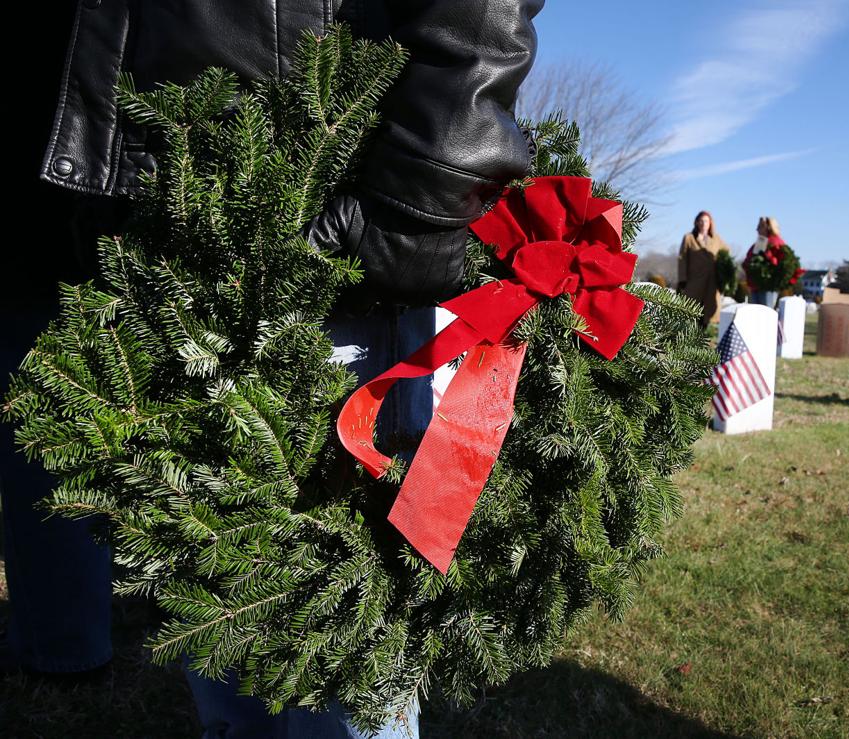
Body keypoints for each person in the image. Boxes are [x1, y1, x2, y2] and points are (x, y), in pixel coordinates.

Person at [4, 1, 543, 735]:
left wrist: (425, 190)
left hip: (315, 204)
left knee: (339, 680)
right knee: (227, 656)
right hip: (155, 214)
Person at [676, 211, 730, 326]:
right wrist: (682, 279)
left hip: (711, 282)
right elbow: (682, 258)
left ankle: (704, 336)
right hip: (694, 280)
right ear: (696, 222)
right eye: (700, 220)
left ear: (710, 223)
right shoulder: (689, 238)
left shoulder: (716, 239)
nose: (703, 223)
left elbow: (726, 254)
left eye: (706, 221)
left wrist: (724, 277)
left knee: (708, 313)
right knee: (691, 310)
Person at [745, 216, 786, 308]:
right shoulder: (760, 242)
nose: (757, 230)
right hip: (755, 285)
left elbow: (779, 262)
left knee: (767, 311)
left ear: (768, 227)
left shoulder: (776, 242)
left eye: (759, 227)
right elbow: (750, 258)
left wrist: (768, 257)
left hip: (768, 286)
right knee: (755, 312)